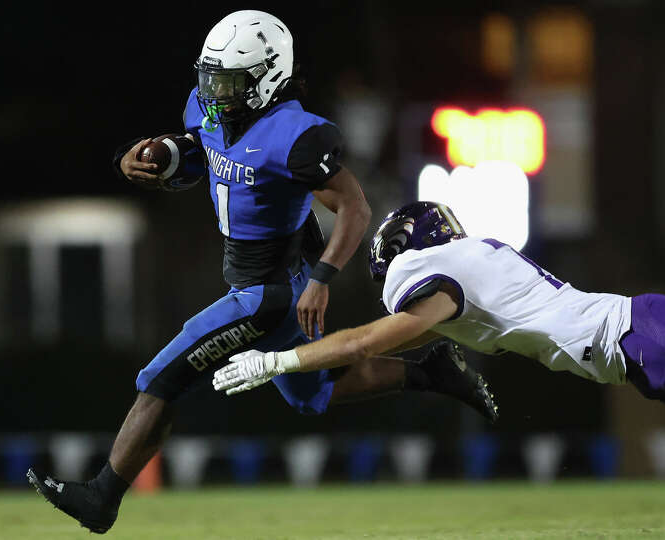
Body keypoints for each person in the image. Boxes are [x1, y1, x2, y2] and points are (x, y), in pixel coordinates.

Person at [27, 12, 496, 535]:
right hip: (270, 282)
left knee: (162, 377)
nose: (214, 92)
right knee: (311, 393)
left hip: (269, 291)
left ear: (268, 76)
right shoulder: (212, 109)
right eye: (210, 78)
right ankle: (431, 370)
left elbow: (355, 207)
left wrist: (322, 279)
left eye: (227, 82)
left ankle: (102, 496)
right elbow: (201, 152)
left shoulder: (292, 135)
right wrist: (141, 160)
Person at [214, 200, 665, 463]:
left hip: (643, 340)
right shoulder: (469, 259)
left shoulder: (424, 273)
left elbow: (368, 341)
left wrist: (280, 364)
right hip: (644, 347)